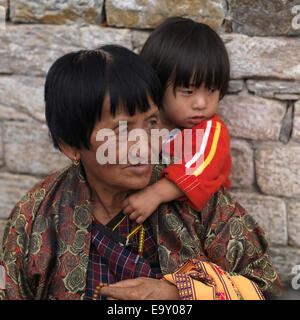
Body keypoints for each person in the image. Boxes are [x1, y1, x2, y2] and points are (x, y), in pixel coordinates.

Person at [0, 45, 281, 300]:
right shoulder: (33, 219)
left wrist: (176, 293)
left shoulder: (195, 200)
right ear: (71, 146)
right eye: (121, 130)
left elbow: (265, 288)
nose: (145, 145)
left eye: (151, 123)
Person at [122, 17, 232, 225]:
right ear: (158, 83)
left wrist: (155, 194)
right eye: (188, 91)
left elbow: (197, 168)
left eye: (211, 90)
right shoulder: (145, 123)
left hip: (201, 222)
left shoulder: (210, 130)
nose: (201, 103)